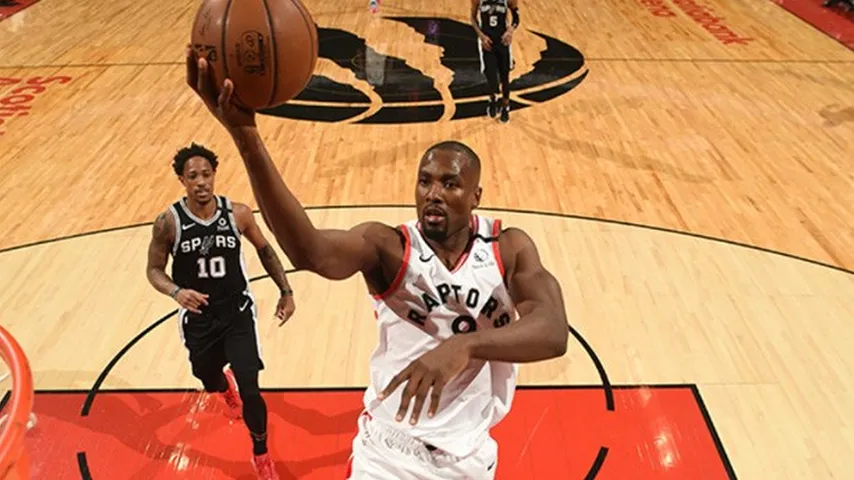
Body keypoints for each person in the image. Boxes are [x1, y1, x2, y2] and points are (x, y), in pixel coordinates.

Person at [185, 49, 569, 479]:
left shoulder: (508, 247)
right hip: (390, 455)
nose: (433, 193)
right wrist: (245, 137)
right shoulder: (388, 247)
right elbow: (308, 252)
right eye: (425, 181)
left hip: (469, 458)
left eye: (450, 183)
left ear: (476, 196)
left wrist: (464, 345)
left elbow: (553, 333)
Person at [145, 142, 296, 480]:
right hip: (199, 319)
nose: (201, 182)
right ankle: (221, 386)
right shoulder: (167, 222)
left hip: (236, 312)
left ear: (214, 176)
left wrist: (285, 291)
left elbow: (266, 251)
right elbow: (154, 270)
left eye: (206, 175)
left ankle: (261, 453)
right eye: (193, 176)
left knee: (251, 387)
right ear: (182, 180)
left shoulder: (238, 213)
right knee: (207, 378)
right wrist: (177, 291)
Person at [471, 0, 520, 124]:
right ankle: (492, 99)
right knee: (491, 76)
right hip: (487, 42)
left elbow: (516, 16)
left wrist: (510, 31)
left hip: (503, 42)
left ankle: (505, 107)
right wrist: (481, 36)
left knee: (505, 77)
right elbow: (473, 18)